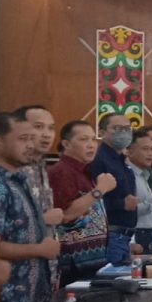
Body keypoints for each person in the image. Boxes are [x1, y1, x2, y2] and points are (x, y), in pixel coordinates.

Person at [0, 113, 60, 302]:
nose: (31, 145)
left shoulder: (18, 181)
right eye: (23, 139)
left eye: (32, 139)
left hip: (30, 300)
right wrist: (39, 250)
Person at [48, 120, 117, 285]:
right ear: (66, 144)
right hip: (74, 264)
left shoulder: (85, 171)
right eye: (83, 139)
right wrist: (100, 190)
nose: (91, 145)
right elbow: (66, 215)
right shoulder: (61, 172)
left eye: (93, 139)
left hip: (93, 260)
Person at [91, 113, 140, 264]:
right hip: (110, 234)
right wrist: (121, 204)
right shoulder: (99, 159)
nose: (124, 133)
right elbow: (91, 200)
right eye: (118, 128)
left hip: (125, 235)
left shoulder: (122, 160)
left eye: (127, 128)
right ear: (102, 132)